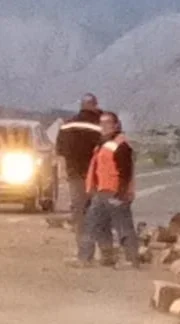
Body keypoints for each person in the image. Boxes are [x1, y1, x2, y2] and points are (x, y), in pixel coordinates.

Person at [67, 111, 139, 269]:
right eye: (102, 123)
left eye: (108, 123)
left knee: (123, 227)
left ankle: (131, 260)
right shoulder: (103, 145)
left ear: (116, 125)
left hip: (115, 193)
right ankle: (88, 258)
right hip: (101, 192)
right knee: (93, 225)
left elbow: (125, 172)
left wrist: (121, 193)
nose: (104, 126)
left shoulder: (121, 145)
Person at [55, 93, 102, 245]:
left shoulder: (68, 125)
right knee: (98, 211)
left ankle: (83, 248)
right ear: (95, 105)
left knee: (79, 210)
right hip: (97, 175)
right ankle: (103, 250)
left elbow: (60, 149)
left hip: (75, 173)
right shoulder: (103, 126)